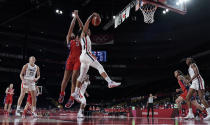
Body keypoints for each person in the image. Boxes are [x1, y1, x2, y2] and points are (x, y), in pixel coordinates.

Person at [72, 12, 121, 102]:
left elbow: (82, 26)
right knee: (99, 66)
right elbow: (84, 25)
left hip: (83, 57)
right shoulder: (84, 34)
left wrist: (78, 17)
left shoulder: (84, 36)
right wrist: (91, 16)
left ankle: (75, 92)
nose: (89, 30)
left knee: (82, 76)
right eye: (88, 30)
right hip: (86, 55)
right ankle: (110, 82)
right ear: (85, 31)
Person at [58, 10, 83, 108]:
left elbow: (82, 27)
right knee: (65, 79)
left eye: (73, 33)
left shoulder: (80, 39)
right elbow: (71, 27)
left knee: (73, 80)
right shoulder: (69, 39)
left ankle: (71, 99)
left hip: (78, 60)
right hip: (70, 60)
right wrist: (74, 17)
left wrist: (77, 17)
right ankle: (62, 94)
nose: (71, 32)